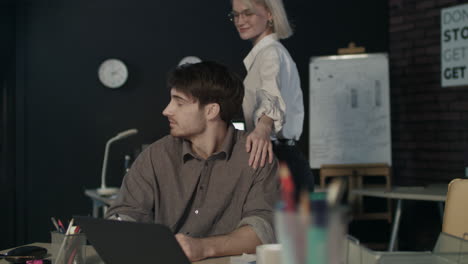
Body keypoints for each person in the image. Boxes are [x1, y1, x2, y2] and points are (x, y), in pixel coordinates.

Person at [105, 61, 279, 262]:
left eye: (179, 103)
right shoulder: (156, 155)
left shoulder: (255, 156)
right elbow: (125, 213)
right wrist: (121, 228)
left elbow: (263, 229)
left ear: (211, 111)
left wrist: (203, 247)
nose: (167, 110)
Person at [229, 0, 314, 195]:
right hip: (278, 158)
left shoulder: (271, 53)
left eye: (247, 13)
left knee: (282, 226)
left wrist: (264, 127)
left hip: (280, 161)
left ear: (269, 14)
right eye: (235, 14)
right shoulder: (265, 54)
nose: (240, 21)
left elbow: (271, 95)